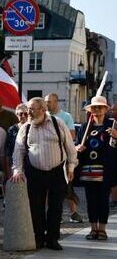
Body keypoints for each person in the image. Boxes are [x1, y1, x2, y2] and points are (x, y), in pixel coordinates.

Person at [11, 97, 78, 251]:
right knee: (36, 206)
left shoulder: (57, 123)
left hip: (57, 171)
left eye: (32, 109)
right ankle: (39, 237)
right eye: (28, 109)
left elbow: (70, 147)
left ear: (42, 110)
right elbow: (18, 151)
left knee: (56, 207)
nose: (29, 112)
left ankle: (53, 239)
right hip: (34, 172)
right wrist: (17, 170)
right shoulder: (25, 128)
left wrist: (71, 168)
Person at [74, 96, 117, 240]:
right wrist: (78, 148)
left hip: (106, 170)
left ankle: (102, 229)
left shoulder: (113, 125)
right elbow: (77, 145)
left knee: (103, 200)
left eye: (100, 107)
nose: (97, 110)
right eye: (94, 107)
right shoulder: (85, 127)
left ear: (106, 109)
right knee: (91, 200)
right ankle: (93, 228)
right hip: (89, 170)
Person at [45, 93, 82, 223]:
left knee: (67, 186)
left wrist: (55, 138)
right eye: (46, 102)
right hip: (48, 157)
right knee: (50, 188)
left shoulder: (66, 116)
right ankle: (54, 214)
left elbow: (71, 136)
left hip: (64, 157)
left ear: (56, 102)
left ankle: (74, 212)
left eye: (49, 102)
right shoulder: (44, 117)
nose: (47, 104)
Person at [6, 104, 28, 168]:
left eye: (26, 114)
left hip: (30, 166)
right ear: (17, 115)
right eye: (21, 114)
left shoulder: (33, 128)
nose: (23, 116)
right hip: (15, 165)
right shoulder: (12, 129)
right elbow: (8, 152)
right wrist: (8, 171)